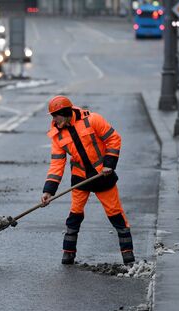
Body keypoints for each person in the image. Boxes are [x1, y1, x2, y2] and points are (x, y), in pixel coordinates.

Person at [41, 96, 135, 265]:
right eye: (52, 117)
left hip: (102, 176)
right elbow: (57, 163)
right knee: (74, 215)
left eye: (56, 116)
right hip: (80, 178)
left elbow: (114, 139)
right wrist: (48, 191)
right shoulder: (57, 135)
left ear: (66, 113)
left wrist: (109, 164)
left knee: (116, 214)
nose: (54, 120)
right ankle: (68, 255)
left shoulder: (93, 120)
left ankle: (128, 257)